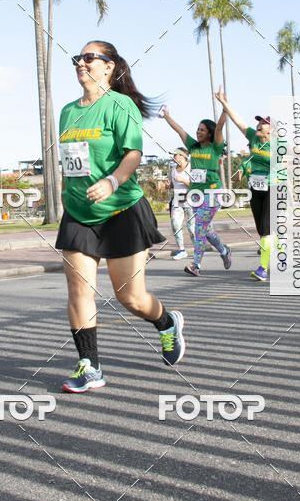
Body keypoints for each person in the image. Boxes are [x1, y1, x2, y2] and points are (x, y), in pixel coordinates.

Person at [56, 40, 186, 393]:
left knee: (131, 298)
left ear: (109, 66)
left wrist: (112, 181)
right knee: (78, 290)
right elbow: (70, 160)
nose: (81, 63)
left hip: (121, 210)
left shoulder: (120, 105)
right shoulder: (68, 111)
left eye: (89, 58)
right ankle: (90, 365)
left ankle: (166, 323)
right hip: (80, 214)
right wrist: (68, 196)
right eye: (77, 58)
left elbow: (133, 154)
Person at [161, 108, 231, 276]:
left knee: (199, 227)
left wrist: (224, 109)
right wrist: (167, 117)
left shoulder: (215, 147)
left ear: (209, 133)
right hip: (196, 195)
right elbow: (180, 131)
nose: (198, 132)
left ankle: (196, 265)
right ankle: (223, 250)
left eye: (202, 130)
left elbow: (220, 127)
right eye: (198, 129)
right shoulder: (193, 146)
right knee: (206, 230)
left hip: (213, 193)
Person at [214, 89, 272, 280]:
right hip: (256, 189)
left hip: (274, 188)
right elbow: (238, 120)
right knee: (262, 229)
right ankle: (276, 249)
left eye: (263, 123)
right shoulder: (253, 138)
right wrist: (224, 103)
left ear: (271, 130)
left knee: (266, 229)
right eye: (259, 121)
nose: (258, 124)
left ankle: (263, 268)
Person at [168, 148, 195, 259]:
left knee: (191, 228)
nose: (173, 157)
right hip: (177, 202)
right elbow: (174, 184)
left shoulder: (191, 168)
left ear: (182, 156)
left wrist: (183, 180)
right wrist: (169, 186)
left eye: (175, 155)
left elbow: (196, 185)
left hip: (191, 201)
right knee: (175, 224)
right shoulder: (173, 169)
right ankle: (181, 250)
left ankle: (197, 249)